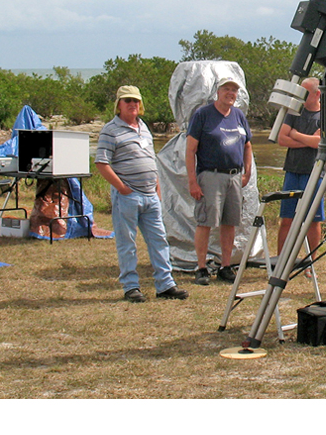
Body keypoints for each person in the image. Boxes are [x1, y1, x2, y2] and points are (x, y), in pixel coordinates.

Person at [95, 85, 188, 303]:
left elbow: (150, 158)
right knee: (127, 243)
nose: (132, 104)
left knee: (159, 240)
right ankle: (130, 287)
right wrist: (122, 188)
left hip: (150, 196)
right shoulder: (110, 130)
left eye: (135, 101)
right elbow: (101, 163)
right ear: (118, 104)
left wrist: (156, 186)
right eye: (127, 100)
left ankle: (165, 285)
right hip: (127, 196)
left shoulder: (143, 127)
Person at [185, 76, 253, 286]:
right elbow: (190, 150)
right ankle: (202, 267)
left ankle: (225, 266)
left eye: (234, 90)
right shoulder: (203, 115)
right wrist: (192, 181)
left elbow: (247, 145)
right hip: (210, 175)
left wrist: (247, 173)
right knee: (206, 222)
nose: (230, 93)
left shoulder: (239, 116)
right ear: (218, 91)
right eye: (227, 89)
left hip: (233, 176)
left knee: (229, 223)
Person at [276, 77, 323, 257]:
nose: (301, 98)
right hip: (292, 171)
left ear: (317, 94)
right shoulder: (293, 112)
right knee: (287, 219)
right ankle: (281, 260)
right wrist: (307, 140)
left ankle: (309, 263)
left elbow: (319, 142)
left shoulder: (325, 115)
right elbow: (282, 139)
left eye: (305, 93)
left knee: (313, 220)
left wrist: (295, 135)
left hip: (314, 173)